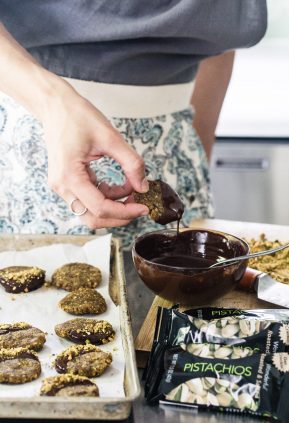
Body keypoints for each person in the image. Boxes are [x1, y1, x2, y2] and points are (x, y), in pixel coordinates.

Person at [0, 1, 267, 249]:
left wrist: (197, 153)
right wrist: (53, 104)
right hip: (44, 146)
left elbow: (216, 35)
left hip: (178, 151)